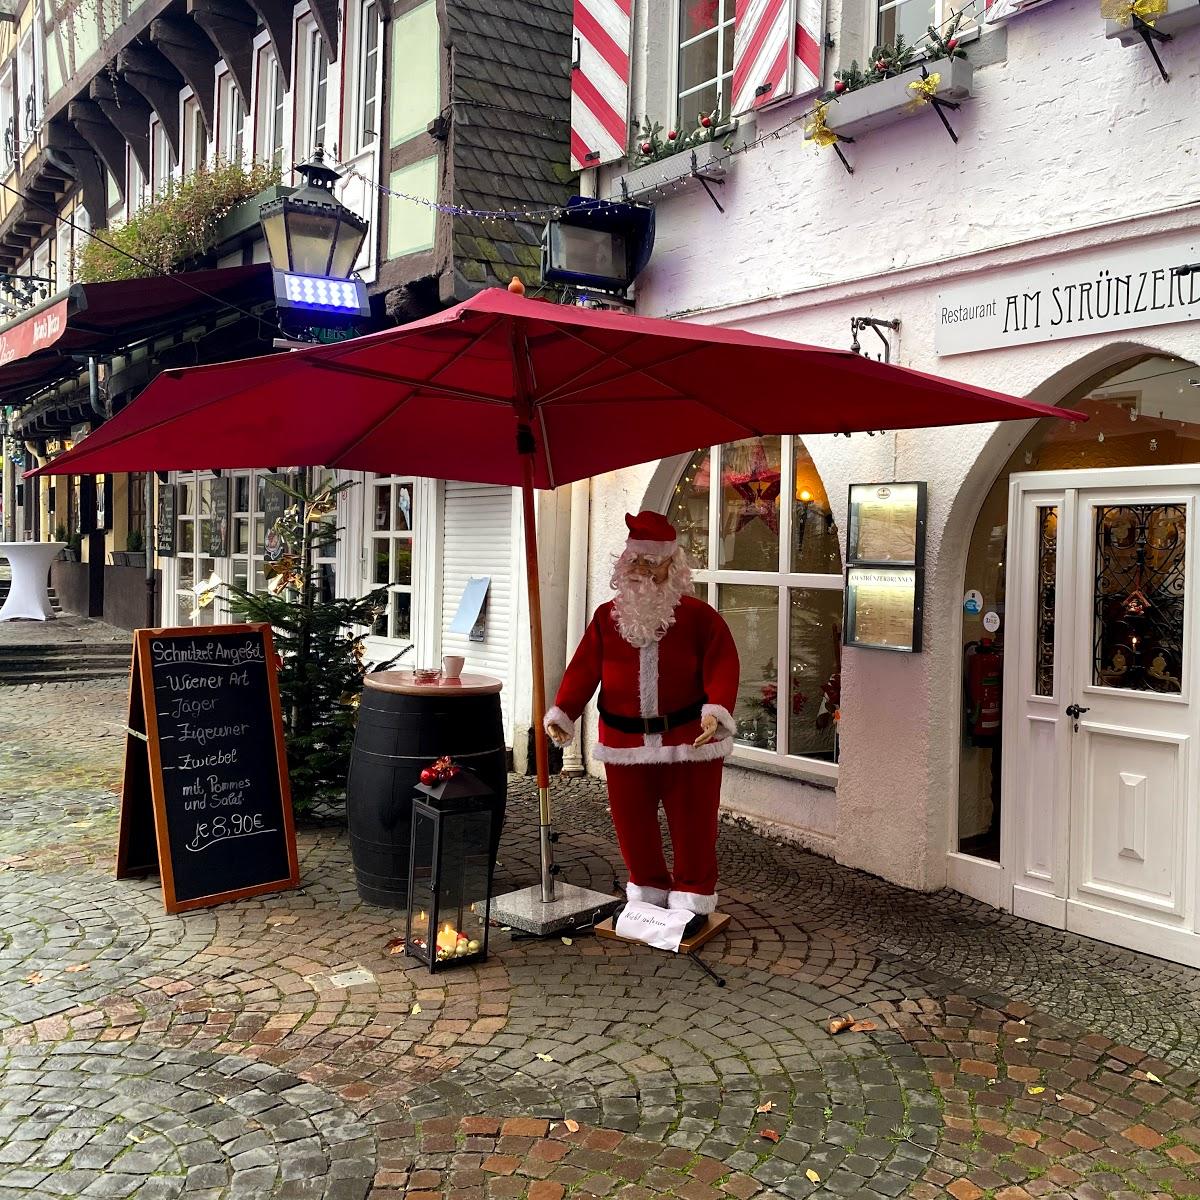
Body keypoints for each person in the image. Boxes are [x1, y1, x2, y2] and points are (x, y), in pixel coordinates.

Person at [545, 511, 740, 928]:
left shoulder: (699, 618)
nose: (640, 572)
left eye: (650, 564)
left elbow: (723, 664)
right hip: (623, 740)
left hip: (689, 740)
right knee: (632, 823)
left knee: (693, 823)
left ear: (673, 567)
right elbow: (583, 668)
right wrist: (565, 710)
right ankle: (647, 888)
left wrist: (716, 711)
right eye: (634, 562)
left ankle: (692, 894)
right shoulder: (605, 618)